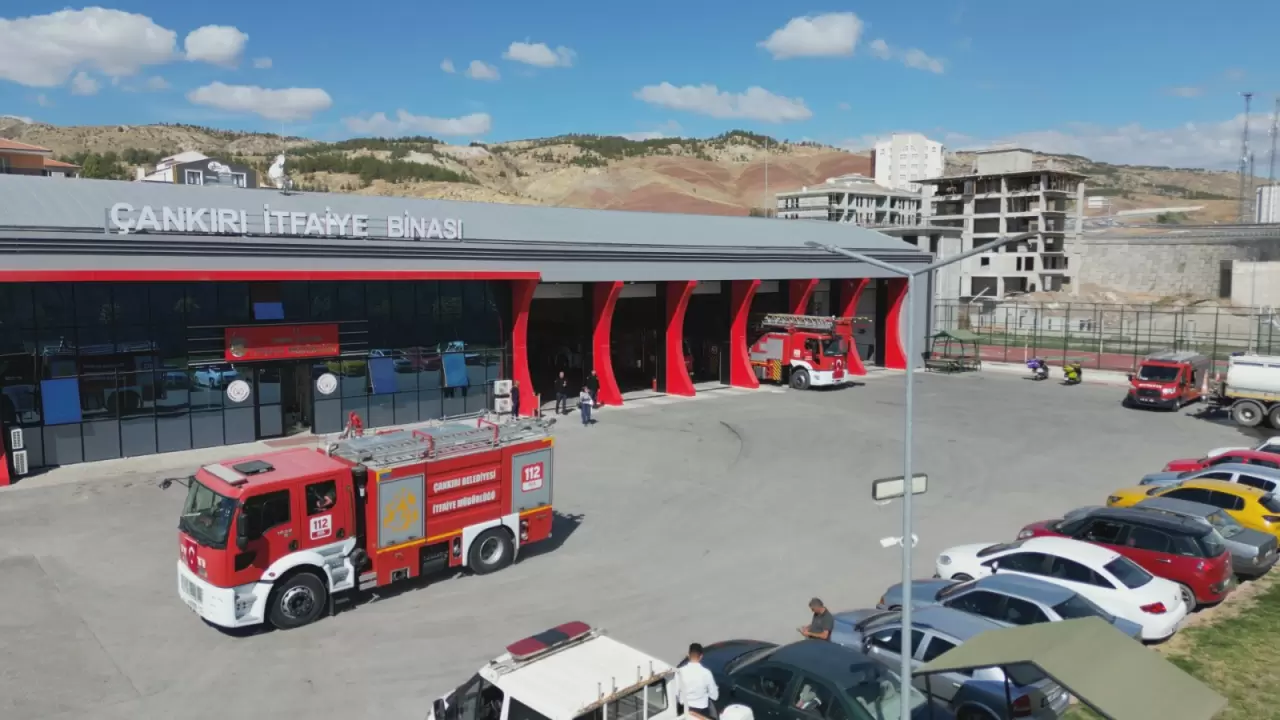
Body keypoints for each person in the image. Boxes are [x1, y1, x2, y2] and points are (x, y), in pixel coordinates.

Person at [673, 643, 719, 719]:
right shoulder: (706, 673)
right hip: (702, 711)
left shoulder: (679, 672)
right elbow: (715, 696)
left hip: (684, 710)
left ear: (688, 655)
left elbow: (676, 693)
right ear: (701, 656)